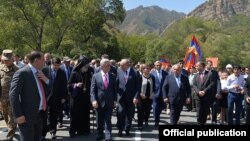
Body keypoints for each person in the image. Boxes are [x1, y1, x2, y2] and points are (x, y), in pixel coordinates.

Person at [9, 51, 50, 141]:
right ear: (36, 60)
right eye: (43, 59)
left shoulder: (41, 72)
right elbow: (13, 95)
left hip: (39, 114)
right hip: (26, 117)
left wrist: (46, 80)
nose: (45, 62)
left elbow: (49, 91)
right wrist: (18, 115)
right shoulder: (22, 73)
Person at [90, 58, 117, 141]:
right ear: (101, 66)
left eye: (109, 65)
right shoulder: (95, 76)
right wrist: (93, 100)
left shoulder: (113, 76)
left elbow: (114, 90)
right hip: (98, 102)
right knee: (99, 120)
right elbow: (92, 90)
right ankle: (100, 134)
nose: (109, 67)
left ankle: (108, 136)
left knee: (108, 120)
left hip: (109, 102)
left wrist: (115, 101)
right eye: (107, 65)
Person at [68, 56, 93, 137]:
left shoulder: (90, 72)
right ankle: (73, 131)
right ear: (81, 65)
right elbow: (68, 85)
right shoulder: (75, 72)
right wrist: (76, 84)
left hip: (86, 98)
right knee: (75, 115)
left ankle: (84, 130)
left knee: (85, 114)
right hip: (76, 98)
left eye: (87, 65)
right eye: (85, 65)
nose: (87, 67)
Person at [116, 59, 141, 137]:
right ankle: (120, 129)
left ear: (127, 65)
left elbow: (138, 86)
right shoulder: (118, 71)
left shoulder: (135, 72)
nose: (120, 66)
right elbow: (116, 84)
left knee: (129, 114)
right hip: (120, 97)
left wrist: (136, 97)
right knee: (120, 112)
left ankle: (127, 129)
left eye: (122, 65)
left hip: (131, 98)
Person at [0, 50, 19, 139]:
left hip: (13, 97)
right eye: (5, 60)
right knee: (5, 114)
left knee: (12, 115)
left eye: (8, 60)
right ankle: (9, 127)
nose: (6, 61)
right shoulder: (0, 68)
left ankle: (11, 131)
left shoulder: (18, 70)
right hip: (2, 97)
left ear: (12, 59)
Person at [47, 57, 67, 139]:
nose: (56, 67)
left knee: (54, 115)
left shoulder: (62, 72)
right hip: (46, 97)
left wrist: (63, 97)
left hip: (57, 97)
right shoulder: (45, 70)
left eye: (58, 65)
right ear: (51, 64)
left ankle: (53, 131)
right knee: (44, 116)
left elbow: (64, 86)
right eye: (55, 65)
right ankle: (43, 132)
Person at [150, 61, 167, 127]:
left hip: (163, 93)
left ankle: (158, 116)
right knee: (155, 107)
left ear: (161, 65)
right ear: (155, 66)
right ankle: (156, 120)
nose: (158, 66)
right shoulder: (152, 73)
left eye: (159, 65)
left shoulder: (165, 73)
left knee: (160, 107)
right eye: (157, 65)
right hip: (155, 92)